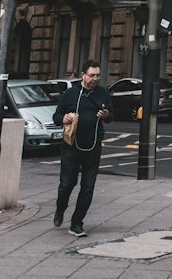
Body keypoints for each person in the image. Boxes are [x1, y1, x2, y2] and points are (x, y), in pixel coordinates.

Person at [52, 60, 112, 238]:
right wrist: (63, 119)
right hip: (71, 146)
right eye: (92, 75)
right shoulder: (71, 94)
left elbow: (111, 115)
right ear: (83, 75)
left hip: (93, 146)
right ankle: (60, 208)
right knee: (67, 183)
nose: (95, 79)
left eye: (98, 75)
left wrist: (106, 114)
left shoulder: (102, 93)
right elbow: (56, 116)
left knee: (88, 186)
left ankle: (77, 223)